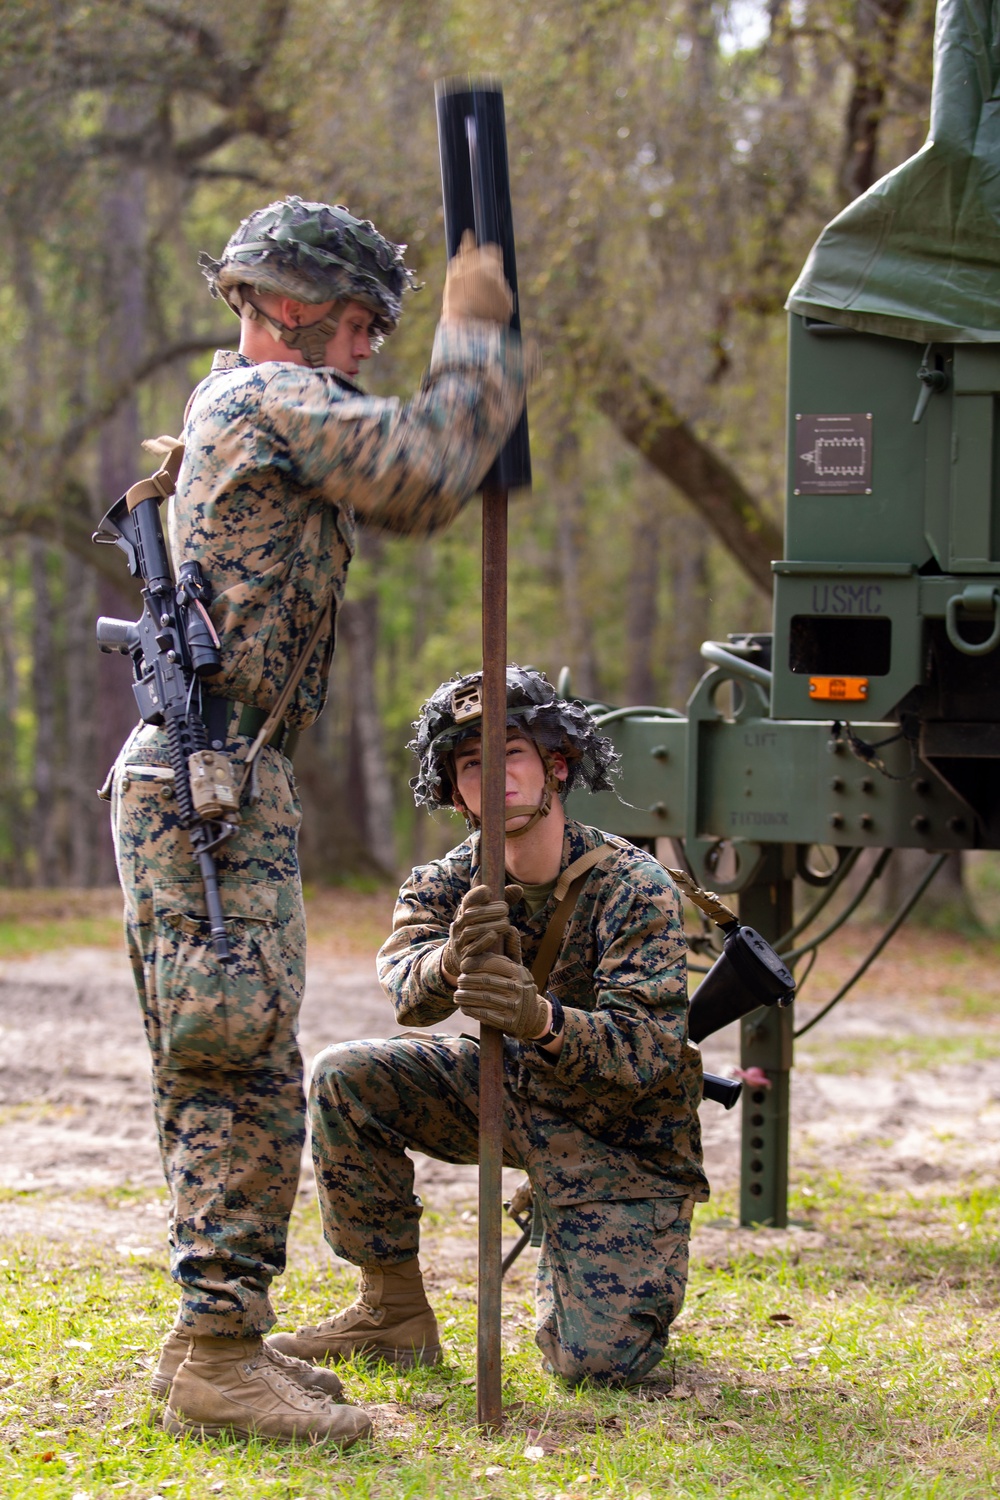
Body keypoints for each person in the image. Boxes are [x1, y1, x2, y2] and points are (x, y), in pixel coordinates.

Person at [109, 196, 529, 1446]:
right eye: (355, 328)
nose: (361, 353)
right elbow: (431, 467)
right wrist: (477, 334)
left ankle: (217, 1337)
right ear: (290, 310)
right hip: (207, 788)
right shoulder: (260, 401)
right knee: (228, 1062)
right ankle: (218, 1355)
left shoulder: (255, 406)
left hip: (233, 781)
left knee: (246, 1062)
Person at [270, 668, 708, 1387]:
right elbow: (408, 994)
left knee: (594, 1365)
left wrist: (542, 1020)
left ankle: (577, 1243)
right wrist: (450, 958)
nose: (495, 777)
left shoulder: (634, 886)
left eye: (514, 755)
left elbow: (651, 1053)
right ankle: (392, 1316)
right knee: (346, 1076)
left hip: (618, 1134)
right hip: (506, 1095)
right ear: (454, 790)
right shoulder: (446, 883)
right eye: (473, 764)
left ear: (556, 768)